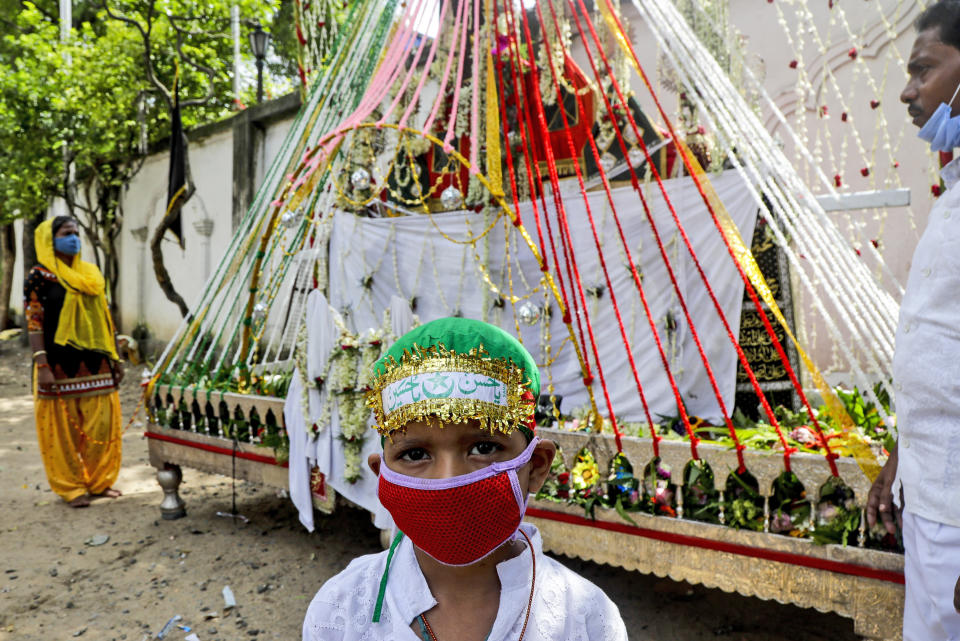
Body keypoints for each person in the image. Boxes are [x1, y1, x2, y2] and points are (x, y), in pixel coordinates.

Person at [302, 317, 628, 640]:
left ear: (537, 466)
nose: (449, 480)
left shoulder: (586, 619)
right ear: (382, 477)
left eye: (484, 447)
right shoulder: (340, 610)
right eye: (415, 455)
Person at [866, 1, 960, 636]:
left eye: (923, 69)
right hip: (933, 497)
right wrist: (901, 456)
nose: (908, 90)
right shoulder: (953, 196)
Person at [24, 216, 124, 508]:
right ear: (50, 239)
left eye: (77, 233)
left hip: (97, 362)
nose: (75, 238)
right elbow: (34, 322)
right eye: (67, 233)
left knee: (102, 426)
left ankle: (99, 481)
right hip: (56, 365)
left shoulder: (91, 274)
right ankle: (71, 487)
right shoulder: (39, 277)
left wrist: (115, 357)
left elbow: (105, 318)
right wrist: (41, 365)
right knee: (62, 433)